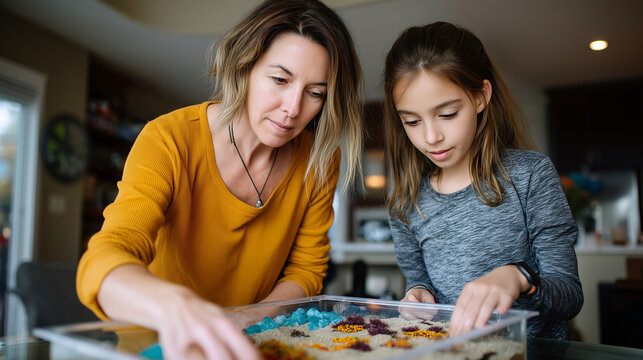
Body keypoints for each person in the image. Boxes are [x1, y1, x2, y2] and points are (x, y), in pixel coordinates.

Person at [76, 0, 363, 359]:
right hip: (157, 346)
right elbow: (107, 255)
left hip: (253, 342)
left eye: (315, 93)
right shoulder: (167, 140)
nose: (293, 107)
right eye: (279, 79)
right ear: (244, 67)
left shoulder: (320, 162)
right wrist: (178, 308)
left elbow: (307, 270)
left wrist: (247, 317)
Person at [383, 21, 583, 340]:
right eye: (412, 121)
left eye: (447, 114)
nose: (431, 137)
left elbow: (569, 297)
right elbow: (418, 283)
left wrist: (519, 278)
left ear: (480, 97)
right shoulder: (404, 199)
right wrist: (419, 294)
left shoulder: (531, 176)